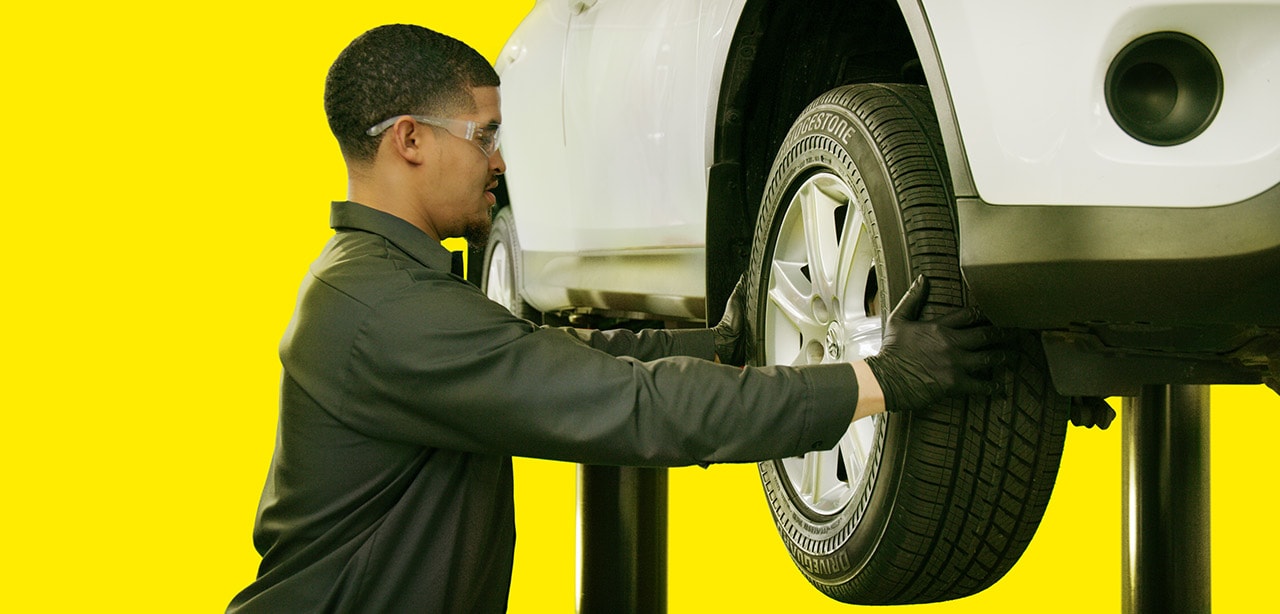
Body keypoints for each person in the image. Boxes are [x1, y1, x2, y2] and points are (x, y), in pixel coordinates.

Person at [227, 24, 1007, 613]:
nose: (501, 161)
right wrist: (871, 382)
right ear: (410, 142)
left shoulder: (379, 284)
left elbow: (548, 354)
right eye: (487, 135)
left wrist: (718, 341)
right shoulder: (386, 312)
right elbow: (635, 409)